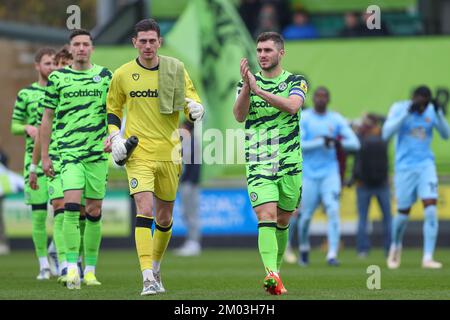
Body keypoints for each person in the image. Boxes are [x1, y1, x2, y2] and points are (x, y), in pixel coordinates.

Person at [105, 18, 204, 296]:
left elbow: (191, 105)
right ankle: (147, 277)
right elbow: (113, 109)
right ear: (134, 42)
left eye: (152, 40)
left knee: (164, 218)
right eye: (143, 41)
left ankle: (157, 268)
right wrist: (115, 137)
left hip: (171, 152)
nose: (148, 45)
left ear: (159, 42)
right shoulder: (123, 74)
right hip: (139, 154)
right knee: (145, 210)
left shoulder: (175, 69)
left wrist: (196, 111)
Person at [233, 32, 307, 295]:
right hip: (259, 163)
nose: (262, 55)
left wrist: (259, 90)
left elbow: (292, 106)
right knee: (266, 216)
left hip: (290, 164)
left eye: (267, 50)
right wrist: (246, 87)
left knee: (283, 220)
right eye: (259, 50)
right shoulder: (246, 83)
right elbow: (240, 116)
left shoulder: (296, 81)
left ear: (281, 53)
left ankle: (276, 274)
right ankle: (272, 274)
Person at [40, 29, 112, 289]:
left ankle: (90, 271)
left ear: (92, 48)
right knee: (70, 206)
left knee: (93, 211)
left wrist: (115, 136)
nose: (81, 48)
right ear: (70, 49)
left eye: (86, 44)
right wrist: (46, 155)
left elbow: (116, 111)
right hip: (68, 154)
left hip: (97, 155)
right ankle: (71, 268)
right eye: (77, 44)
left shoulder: (105, 76)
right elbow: (46, 119)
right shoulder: (58, 78)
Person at [30, 45, 85, 283]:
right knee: (61, 209)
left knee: (83, 213)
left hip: (80, 156)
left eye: (64, 65)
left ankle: (76, 258)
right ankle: (65, 264)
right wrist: (36, 164)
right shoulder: (51, 96)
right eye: (57, 65)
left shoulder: (81, 95)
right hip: (56, 157)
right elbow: (43, 131)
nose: (59, 70)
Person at [382, 86, 450, 269]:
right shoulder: (399, 108)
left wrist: (439, 113)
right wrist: (406, 114)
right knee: (402, 215)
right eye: (419, 101)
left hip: (426, 166)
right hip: (404, 168)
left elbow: (446, 134)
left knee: (430, 210)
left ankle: (427, 257)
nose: (421, 106)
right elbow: (386, 133)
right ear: (412, 98)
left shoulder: (431, 110)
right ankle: (395, 245)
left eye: (425, 102)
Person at [298, 87, 360, 266]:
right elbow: (299, 145)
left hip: (330, 173)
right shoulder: (305, 118)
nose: (320, 100)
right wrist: (321, 142)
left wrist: (337, 142)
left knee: (333, 210)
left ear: (329, 99)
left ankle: (332, 254)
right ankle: (303, 247)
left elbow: (354, 144)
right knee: (306, 216)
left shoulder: (336, 119)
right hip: (309, 174)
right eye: (317, 97)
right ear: (313, 98)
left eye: (324, 97)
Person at [10, 47, 55, 280]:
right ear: (37, 66)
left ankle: (58, 254)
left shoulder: (61, 90)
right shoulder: (25, 94)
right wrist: (26, 127)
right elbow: (13, 125)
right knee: (38, 215)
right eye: (47, 63)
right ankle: (43, 265)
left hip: (58, 158)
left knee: (64, 212)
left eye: (54, 63)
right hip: (33, 160)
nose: (51, 67)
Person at [349, 113, 391, 257]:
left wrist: (361, 123)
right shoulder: (383, 136)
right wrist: (376, 117)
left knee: (362, 218)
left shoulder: (360, 137)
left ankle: (362, 249)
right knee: (387, 218)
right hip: (382, 183)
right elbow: (387, 121)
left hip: (363, 184)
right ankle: (389, 249)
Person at [175, 120, 203, 256]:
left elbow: (193, 164)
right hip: (187, 182)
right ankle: (191, 241)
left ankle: (194, 242)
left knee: (191, 213)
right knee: (187, 213)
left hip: (190, 183)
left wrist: (190, 181)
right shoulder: (187, 142)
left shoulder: (192, 142)